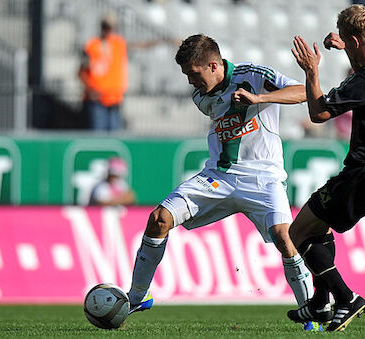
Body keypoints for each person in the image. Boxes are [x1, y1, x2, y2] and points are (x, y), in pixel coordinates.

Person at [126, 34, 320, 331]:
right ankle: (138, 296)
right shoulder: (201, 97)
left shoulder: (254, 75)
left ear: (214, 65)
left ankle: (311, 313)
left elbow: (304, 92)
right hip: (219, 176)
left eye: (194, 73)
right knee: (158, 219)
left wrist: (261, 98)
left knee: (284, 237)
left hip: (263, 176)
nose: (190, 82)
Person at [286, 4, 365, 332]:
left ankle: (345, 297)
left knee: (296, 234)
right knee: (319, 226)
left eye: (346, 40)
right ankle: (320, 303)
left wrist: (312, 71)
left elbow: (319, 113)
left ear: (355, 41)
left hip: (364, 175)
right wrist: (349, 49)